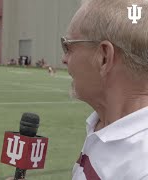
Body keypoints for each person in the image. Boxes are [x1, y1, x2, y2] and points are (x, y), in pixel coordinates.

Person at [61, 0, 148, 179]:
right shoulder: (107, 125)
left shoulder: (142, 167)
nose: (64, 58)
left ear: (104, 57)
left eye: (68, 46)